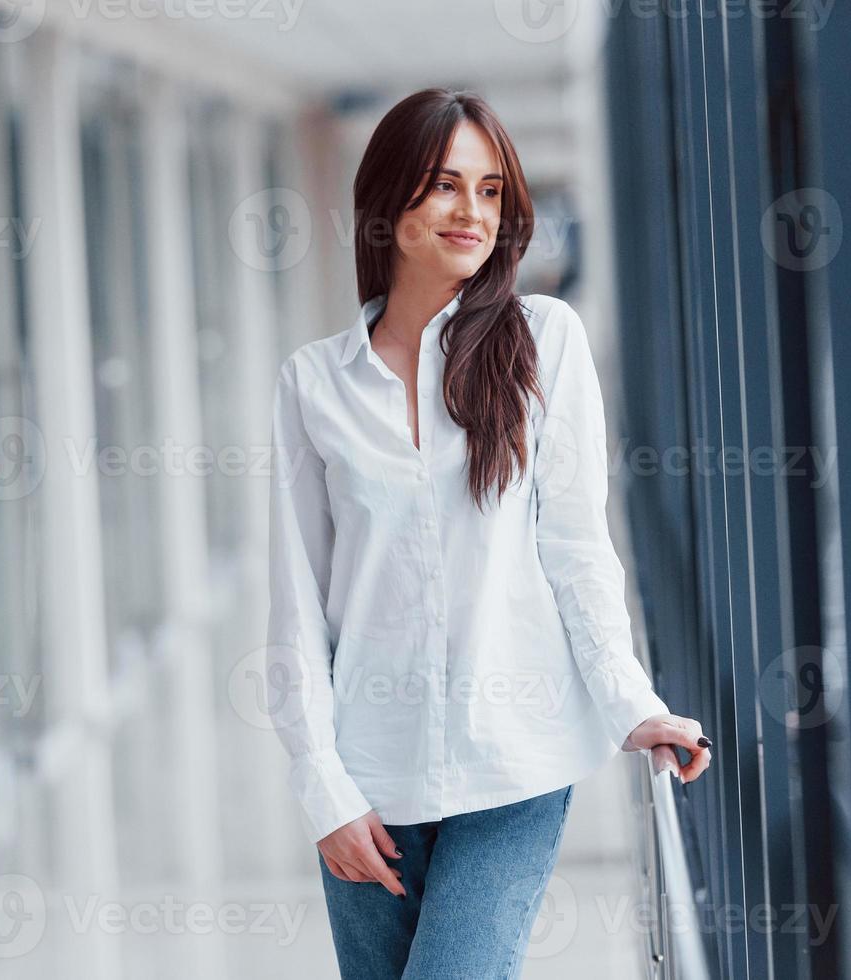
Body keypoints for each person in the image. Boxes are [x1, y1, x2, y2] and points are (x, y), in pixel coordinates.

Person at [265, 87, 712, 979]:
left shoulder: (544, 340)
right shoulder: (313, 384)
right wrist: (322, 789)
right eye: (444, 186)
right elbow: (296, 608)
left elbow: (578, 547)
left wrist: (631, 703)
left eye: (492, 190)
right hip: (368, 779)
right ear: (387, 204)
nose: (473, 212)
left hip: (514, 764)